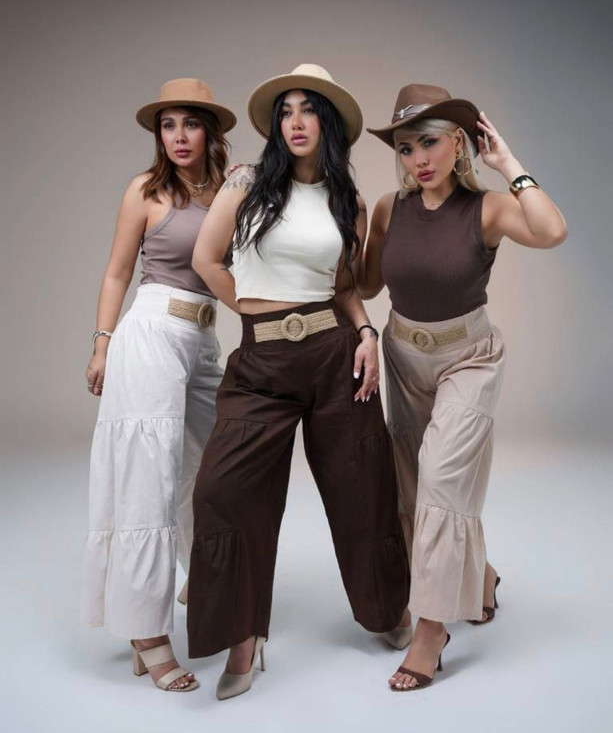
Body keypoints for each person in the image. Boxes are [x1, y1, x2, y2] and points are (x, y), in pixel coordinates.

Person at [186, 64, 409, 700]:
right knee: (224, 492)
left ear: (328, 123)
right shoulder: (246, 184)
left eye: (308, 110)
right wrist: (257, 315)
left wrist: (365, 332)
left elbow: (345, 287)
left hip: (336, 356)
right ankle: (243, 635)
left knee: (362, 484)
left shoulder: (347, 201)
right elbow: (206, 259)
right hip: (260, 364)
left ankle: (387, 609)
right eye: (285, 111)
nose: (295, 122)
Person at [360, 84, 567, 691]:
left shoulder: (487, 209)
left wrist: (509, 164)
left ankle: (431, 631)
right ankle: (481, 578)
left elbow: (552, 232)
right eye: (405, 148)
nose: (417, 159)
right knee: (413, 488)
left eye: (429, 142)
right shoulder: (388, 209)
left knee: (442, 483)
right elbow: (366, 286)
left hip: (469, 359)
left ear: (458, 143)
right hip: (403, 357)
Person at [81, 78, 236, 692]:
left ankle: (205, 577)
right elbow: (117, 272)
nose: (178, 136)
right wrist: (102, 344)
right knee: (150, 480)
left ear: (209, 131)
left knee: (216, 467)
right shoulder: (145, 191)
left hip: (203, 339)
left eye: (189, 123)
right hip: (150, 333)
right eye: (167, 125)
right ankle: (147, 634)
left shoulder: (228, 192)